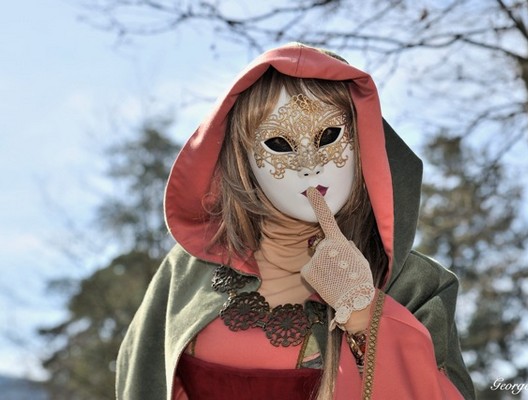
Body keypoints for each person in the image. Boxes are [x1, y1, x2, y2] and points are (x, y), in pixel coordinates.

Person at [116, 43, 476, 400]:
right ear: (243, 159)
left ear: (364, 141)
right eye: (278, 143)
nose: (309, 164)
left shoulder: (416, 286)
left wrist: (367, 318)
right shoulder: (186, 271)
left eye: (328, 136)